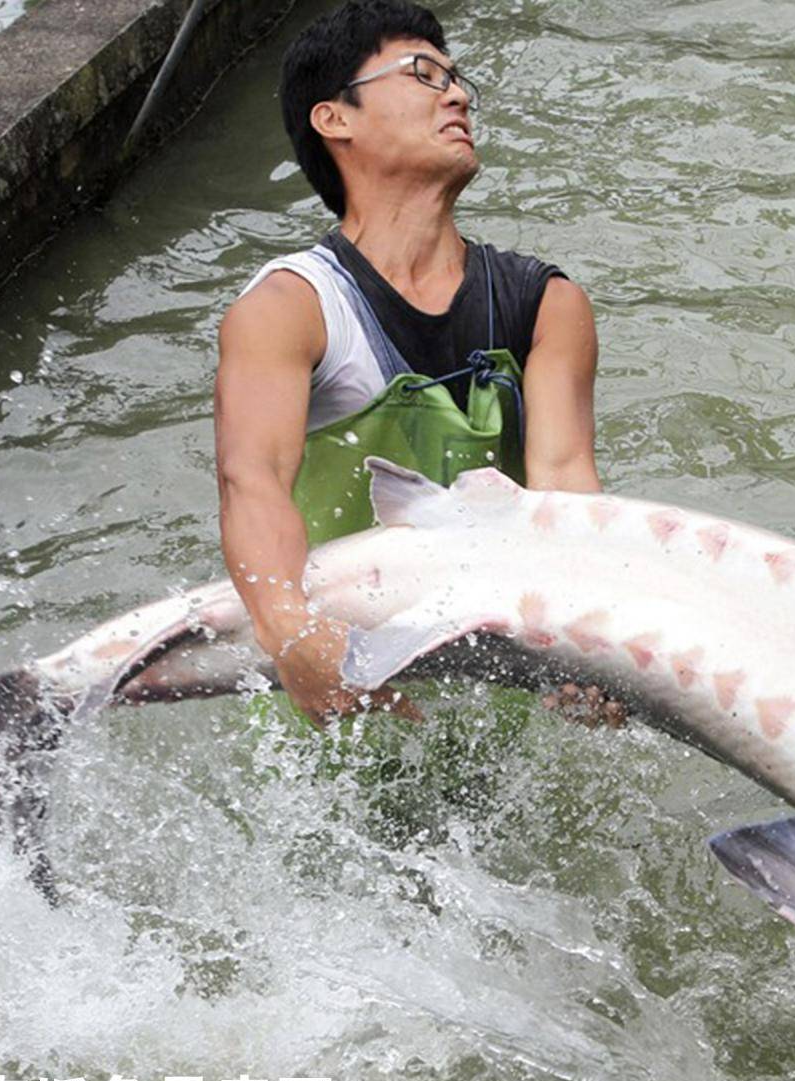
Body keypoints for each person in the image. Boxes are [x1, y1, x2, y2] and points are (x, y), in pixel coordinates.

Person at [213, 0, 601, 727]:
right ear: (336, 119)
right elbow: (251, 481)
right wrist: (290, 634)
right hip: (329, 690)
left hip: (496, 702)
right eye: (423, 74)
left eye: (458, 80)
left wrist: (593, 637)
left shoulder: (547, 304)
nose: (456, 94)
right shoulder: (288, 308)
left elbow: (566, 489)